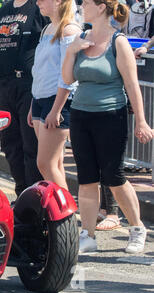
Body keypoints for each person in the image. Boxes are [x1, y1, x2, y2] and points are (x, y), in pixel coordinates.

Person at [62, 0, 154, 253]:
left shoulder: (118, 42)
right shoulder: (80, 38)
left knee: (113, 176)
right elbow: (68, 78)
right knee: (87, 178)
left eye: (87, 3)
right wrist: (72, 52)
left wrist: (142, 121)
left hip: (111, 115)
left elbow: (132, 84)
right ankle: (87, 234)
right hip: (81, 115)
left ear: (101, 7)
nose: (82, 7)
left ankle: (137, 228)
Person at [0, 0, 47, 196]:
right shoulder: (4, 9)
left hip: (28, 84)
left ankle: (34, 197)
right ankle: (21, 194)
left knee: (30, 144)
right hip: (4, 84)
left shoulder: (38, 8)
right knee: (9, 143)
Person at [28, 0, 82, 190]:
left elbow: (67, 76)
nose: (37, 2)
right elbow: (39, 70)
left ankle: (66, 215)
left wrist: (56, 109)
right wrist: (32, 104)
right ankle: (59, 214)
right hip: (39, 98)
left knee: (45, 164)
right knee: (54, 164)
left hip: (56, 100)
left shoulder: (69, 30)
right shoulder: (47, 29)